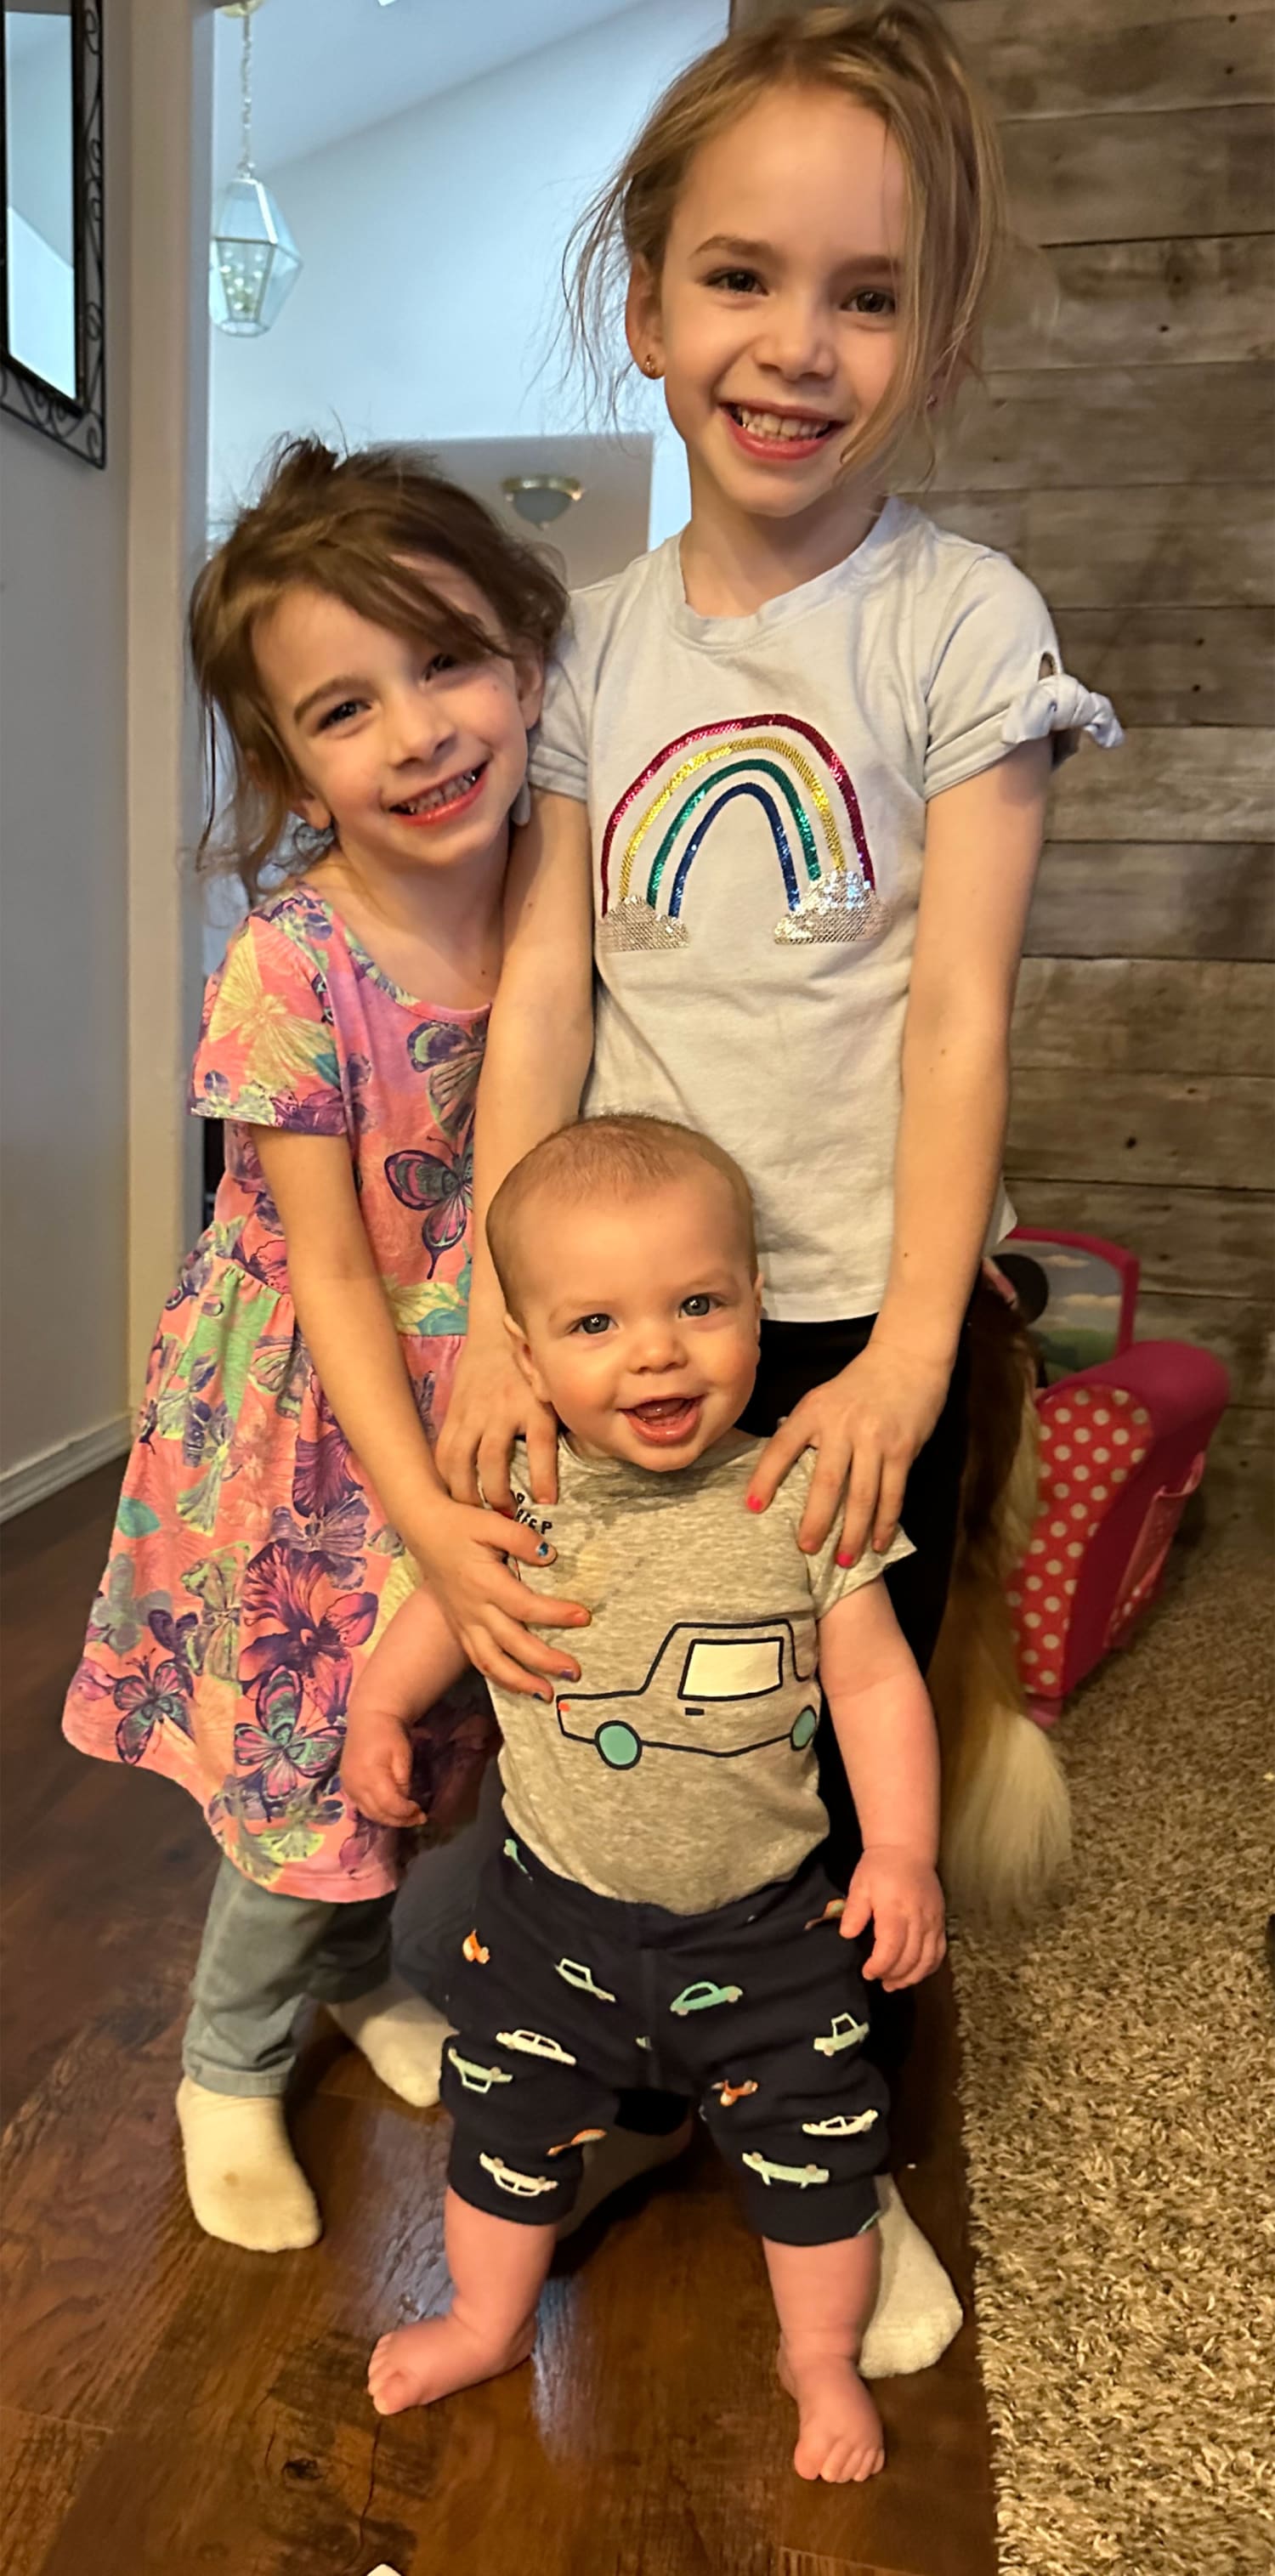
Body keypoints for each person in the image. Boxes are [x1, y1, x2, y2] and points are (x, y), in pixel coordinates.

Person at [392, 0, 1119, 2366]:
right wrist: (502, 1313)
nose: (792, 347)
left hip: (849, 1320)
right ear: (644, 303)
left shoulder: (957, 624)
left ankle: (844, 2156)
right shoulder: (587, 648)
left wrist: (913, 1344)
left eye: (865, 293)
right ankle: (591, 2070)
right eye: (737, 279)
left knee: (829, 1772)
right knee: (610, 1712)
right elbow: (541, 1002)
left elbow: (954, 1017)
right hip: (613, 1312)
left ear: (932, 334)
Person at [62, 439, 575, 2254]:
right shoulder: (289, 966)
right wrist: (422, 1505)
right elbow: (338, 1274)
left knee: (415, 1751)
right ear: (289, 769)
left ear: (527, 654)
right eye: (349, 708)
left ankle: (358, 1980)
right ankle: (223, 2061)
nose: (422, 731)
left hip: (488, 1385)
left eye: (448, 660)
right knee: (297, 1763)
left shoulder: (553, 886)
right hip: (311, 1421)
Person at [344, 1116, 946, 2484]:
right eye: (598, 1321)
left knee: (817, 2153)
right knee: (499, 2130)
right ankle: (489, 2319)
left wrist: (902, 1850)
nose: (658, 1350)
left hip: (771, 1935)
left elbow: (872, 1685)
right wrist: (383, 1707)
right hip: (551, 1923)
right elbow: (451, 1600)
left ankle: (820, 2359)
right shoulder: (524, 1486)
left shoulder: (804, 1492)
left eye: (698, 1304)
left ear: (755, 1306)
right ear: (532, 1352)